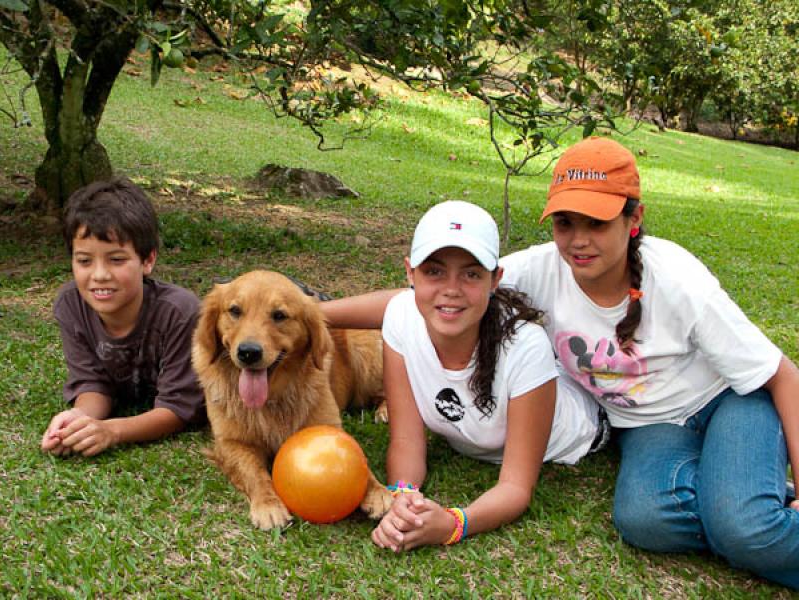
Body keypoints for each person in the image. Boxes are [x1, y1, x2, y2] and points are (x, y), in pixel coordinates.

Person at [322, 137, 799, 588]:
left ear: (634, 220)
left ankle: (748, 519)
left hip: (728, 401)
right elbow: (431, 297)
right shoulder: (543, 267)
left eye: (597, 223)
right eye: (566, 222)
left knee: (744, 524)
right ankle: (742, 510)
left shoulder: (677, 280)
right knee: (644, 522)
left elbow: (782, 375)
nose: (578, 240)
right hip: (650, 427)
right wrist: (312, 312)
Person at [369, 200, 607, 552]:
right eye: (434, 272)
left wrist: (452, 524)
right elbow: (406, 440)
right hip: (476, 433)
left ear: (495, 279)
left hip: (579, 429)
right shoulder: (400, 317)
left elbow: (515, 487)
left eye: (471, 273)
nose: (451, 289)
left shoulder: (526, 346)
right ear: (410, 273)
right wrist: (402, 496)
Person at [41, 177, 206, 457]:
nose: (100, 275)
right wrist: (79, 420)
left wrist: (112, 431)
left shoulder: (180, 313)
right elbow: (94, 384)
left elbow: (177, 411)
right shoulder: (72, 305)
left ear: (147, 260)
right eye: (84, 261)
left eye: (116, 260)